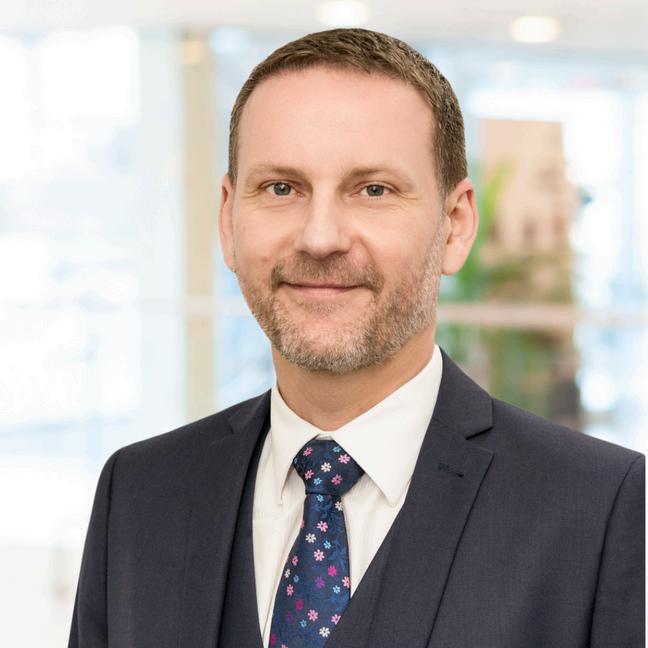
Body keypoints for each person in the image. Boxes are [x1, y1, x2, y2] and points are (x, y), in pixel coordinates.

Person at [68, 28, 644, 648]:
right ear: (229, 220)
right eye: (282, 188)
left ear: (454, 226)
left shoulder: (602, 510)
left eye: (373, 190)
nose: (320, 238)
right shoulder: (139, 492)